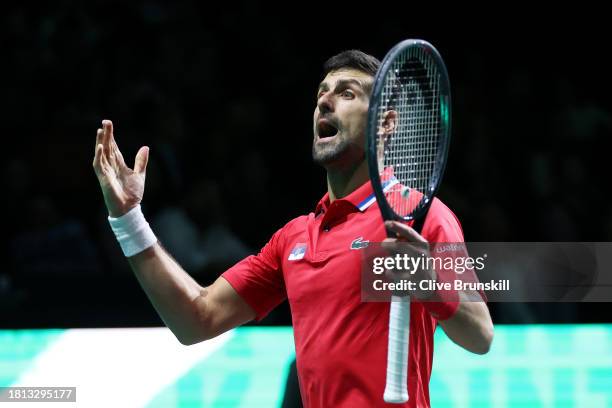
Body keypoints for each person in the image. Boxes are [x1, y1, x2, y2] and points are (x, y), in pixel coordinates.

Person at [92, 50, 493, 407]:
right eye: (322, 93)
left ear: (385, 123)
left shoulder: (420, 217)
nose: (325, 101)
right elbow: (196, 318)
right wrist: (128, 218)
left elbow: (480, 335)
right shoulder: (294, 239)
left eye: (347, 93)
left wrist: (428, 282)